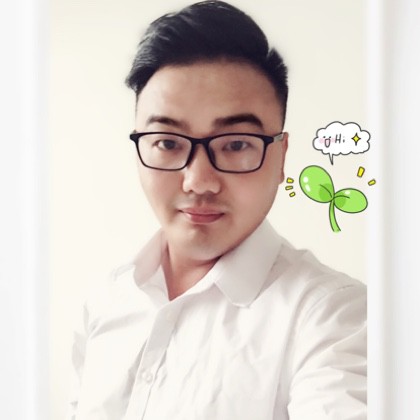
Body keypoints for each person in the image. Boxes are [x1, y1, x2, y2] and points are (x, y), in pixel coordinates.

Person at [68, 1, 366, 419]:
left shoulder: (333, 319)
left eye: (236, 144)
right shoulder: (107, 301)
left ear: (281, 157)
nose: (198, 181)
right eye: (168, 142)